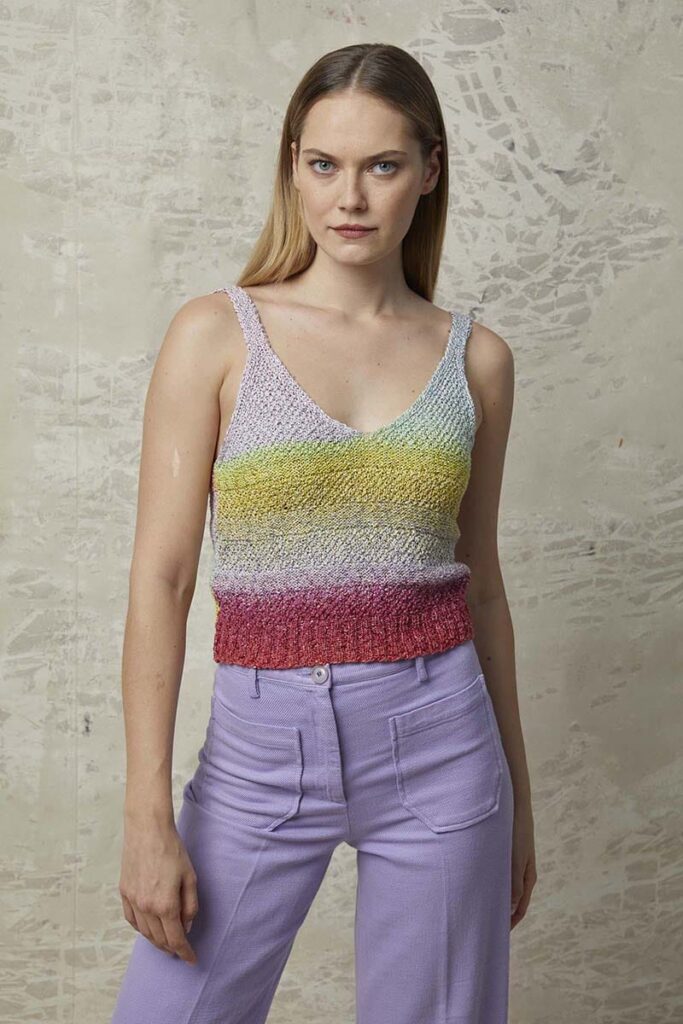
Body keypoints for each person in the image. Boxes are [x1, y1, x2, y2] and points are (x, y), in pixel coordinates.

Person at [110, 41, 536, 1024]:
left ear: (428, 171)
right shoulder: (215, 335)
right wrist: (144, 814)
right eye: (323, 164)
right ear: (291, 168)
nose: (349, 197)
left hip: (442, 743)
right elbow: (162, 580)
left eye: (382, 165)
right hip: (258, 750)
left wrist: (516, 797)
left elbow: (482, 586)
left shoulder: (476, 361)